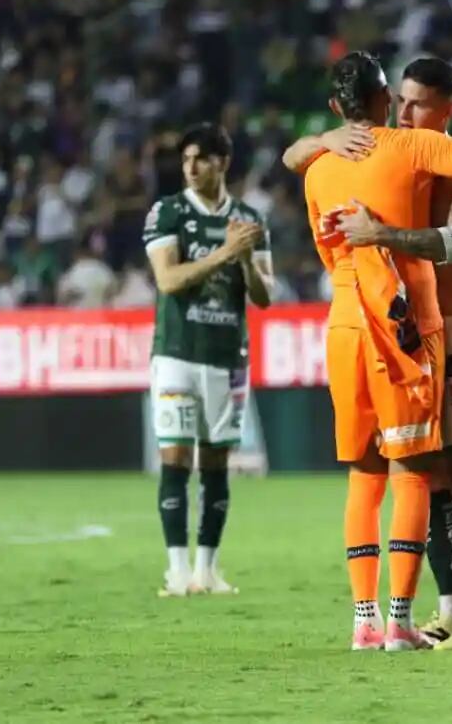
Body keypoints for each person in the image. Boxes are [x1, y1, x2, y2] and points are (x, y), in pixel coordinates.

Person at [284, 50, 452, 651]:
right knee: (431, 474)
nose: (403, 111)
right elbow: (296, 156)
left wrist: (381, 235)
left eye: (416, 103)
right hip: (412, 329)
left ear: (446, 109)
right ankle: (448, 608)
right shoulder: (394, 157)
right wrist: (325, 136)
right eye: (398, 100)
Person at [143, 123, 273, 598]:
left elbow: (265, 297)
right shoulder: (169, 212)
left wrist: (243, 261)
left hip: (227, 355)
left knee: (217, 464)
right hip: (177, 352)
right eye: (185, 161)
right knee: (175, 458)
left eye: (200, 159)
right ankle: (176, 572)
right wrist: (226, 253)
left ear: (223, 163)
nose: (191, 169)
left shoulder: (249, 219)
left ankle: (207, 570)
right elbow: (169, 280)